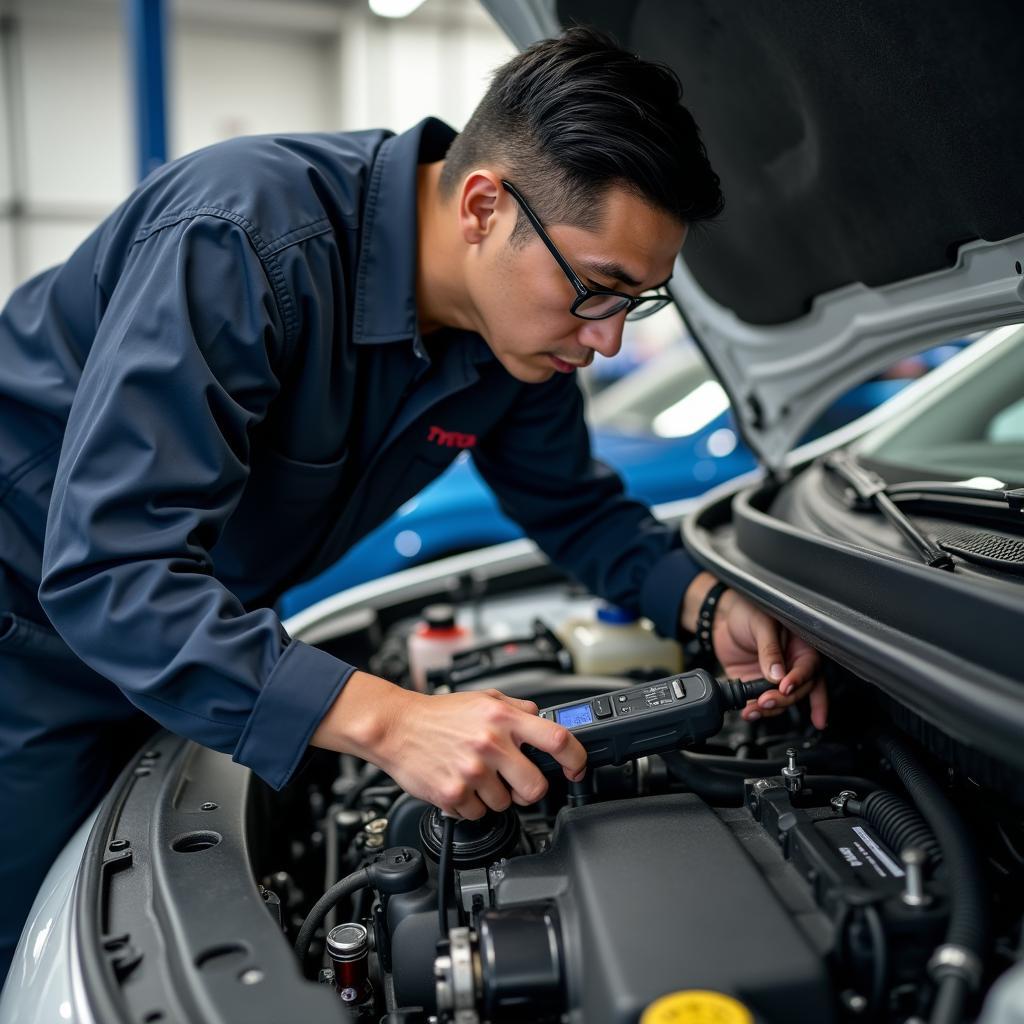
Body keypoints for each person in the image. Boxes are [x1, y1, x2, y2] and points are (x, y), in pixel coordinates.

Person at [0, 27, 826, 981]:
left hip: (189, 638)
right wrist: (391, 721)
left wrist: (710, 604)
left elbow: (578, 509)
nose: (604, 342)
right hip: (29, 641)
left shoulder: (517, 339)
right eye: (597, 291)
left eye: (635, 305)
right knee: (29, 946)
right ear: (483, 205)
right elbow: (110, 567)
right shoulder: (244, 238)